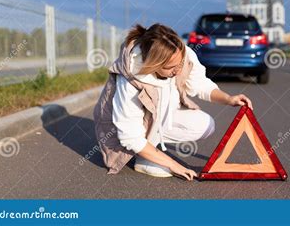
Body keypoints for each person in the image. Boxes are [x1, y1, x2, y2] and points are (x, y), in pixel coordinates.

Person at [93, 23, 253, 181]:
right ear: (153, 65)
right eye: (171, 68)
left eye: (180, 63)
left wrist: (228, 99)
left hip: (161, 114)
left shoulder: (180, 53)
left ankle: (152, 149)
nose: (177, 70)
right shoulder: (130, 79)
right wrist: (174, 165)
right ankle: (145, 159)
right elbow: (130, 136)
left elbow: (199, 84)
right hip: (122, 128)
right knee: (157, 103)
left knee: (206, 125)